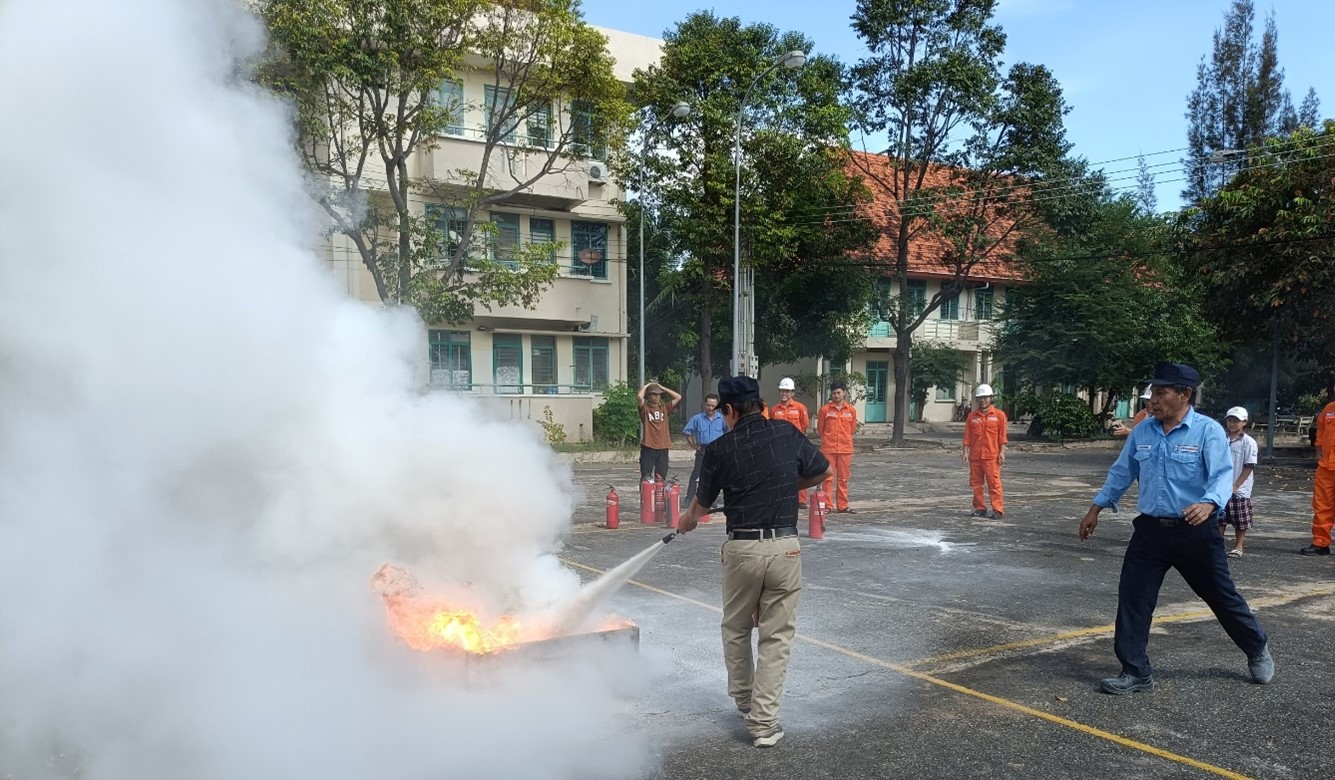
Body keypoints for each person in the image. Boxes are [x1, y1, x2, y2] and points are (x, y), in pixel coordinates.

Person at [1078, 362, 1273, 694]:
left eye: (1162, 392)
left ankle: (1256, 646)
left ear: (1185, 394)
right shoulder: (1143, 431)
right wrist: (1095, 508)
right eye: (1153, 391)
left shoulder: (1208, 431)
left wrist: (1210, 503)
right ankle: (1135, 671)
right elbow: (1121, 472)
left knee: (1220, 596)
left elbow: (1223, 476)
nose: (1153, 399)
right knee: (1133, 598)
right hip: (1150, 532)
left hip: (1195, 532)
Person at [678, 376, 833, 749]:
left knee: (735, 628)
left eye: (724, 412)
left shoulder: (718, 449)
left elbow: (701, 503)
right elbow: (824, 470)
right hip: (785, 549)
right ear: (760, 404)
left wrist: (686, 520)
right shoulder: (786, 432)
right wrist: (785, 483)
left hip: (743, 550)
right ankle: (764, 724)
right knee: (776, 636)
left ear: (729, 410)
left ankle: (746, 703)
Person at [962, 383, 1007, 519]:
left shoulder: (999, 415)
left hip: (991, 456)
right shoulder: (972, 417)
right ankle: (980, 508)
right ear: (977, 400)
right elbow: (967, 436)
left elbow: (1002, 436)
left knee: (994, 483)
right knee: (976, 484)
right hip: (975, 456)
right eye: (981, 398)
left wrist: (1002, 452)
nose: (983, 400)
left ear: (990, 398)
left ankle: (997, 510)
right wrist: (965, 452)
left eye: (986, 397)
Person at [1220, 406, 1258, 558]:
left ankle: (1238, 546)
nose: (1232, 423)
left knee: (1240, 519)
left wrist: (1236, 485)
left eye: (1236, 421)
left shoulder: (1248, 442)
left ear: (1244, 422)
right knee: (1219, 518)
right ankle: (1217, 544)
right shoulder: (1221, 439)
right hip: (1221, 486)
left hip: (1240, 488)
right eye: (1230, 420)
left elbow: (1249, 466)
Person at [767, 377, 811, 506]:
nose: (784, 394)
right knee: (782, 472)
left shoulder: (800, 408)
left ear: (792, 393)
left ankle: (801, 500)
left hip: (796, 445)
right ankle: (784, 497)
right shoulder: (774, 409)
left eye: (787, 391)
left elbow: (804, 425)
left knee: (799, 471)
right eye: (782, 391)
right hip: (780, 446)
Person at [816, 379, 857, 513]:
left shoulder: (851, 410)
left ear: (844, 393)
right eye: (834, 393)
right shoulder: (825, 410)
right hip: (828, 448)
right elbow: (820, 429)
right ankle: (828, 506)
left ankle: (843, 506)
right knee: (828, 478)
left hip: (845, 449)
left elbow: (852, 429)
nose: (836, 396)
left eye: (839, 393)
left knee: (843, 479)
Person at [1302, 394, 1335, 555]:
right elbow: (1320, 430)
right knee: (1321, 506)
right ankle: (1320, 544)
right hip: (1326, 468)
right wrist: (1318, 448)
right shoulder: (1329, 409)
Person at [683, 392, 728, 502]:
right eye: (708, 405)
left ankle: (711, 500)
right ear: (704, 404)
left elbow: (728, 432)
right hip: (703, 450)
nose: (710, 408)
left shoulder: (722, 419)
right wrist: (693, 445)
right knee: (697, 474)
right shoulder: (697, 418)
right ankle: (689, 498)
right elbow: (687, 432)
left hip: (717, 450)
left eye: (713, 406)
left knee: (715, 476)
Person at [637, 381, 681, 482]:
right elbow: (640, 397)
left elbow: (678, 397)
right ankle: (645, 498)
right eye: (654, 394)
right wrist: (647, 385)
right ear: (648, 395)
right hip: (648, 446)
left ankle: (659, 497)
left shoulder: (664, 408)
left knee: (661, 478)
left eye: (659, 395)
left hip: (663, 446)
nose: (657, 397)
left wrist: (662, 387)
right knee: (646, 477)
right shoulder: (645, 409)